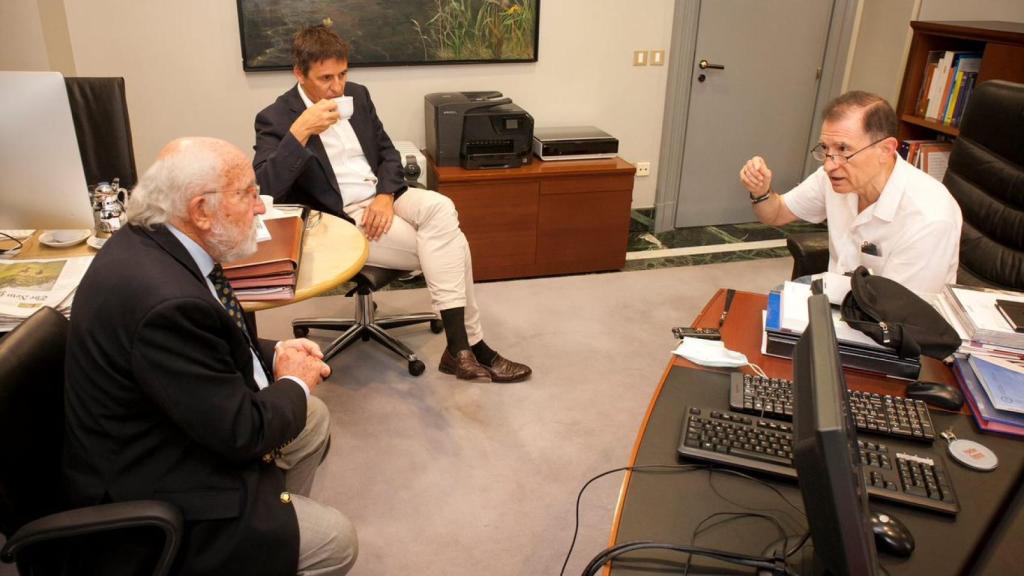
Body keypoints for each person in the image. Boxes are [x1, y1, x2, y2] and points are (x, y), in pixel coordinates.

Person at [64, 137, 358, 576]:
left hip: (161, 427)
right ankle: (265, 541)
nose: (261, 208)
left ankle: (274, 523)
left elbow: (208, 344)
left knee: (310, 418)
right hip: (146, 486)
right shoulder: (165, 302)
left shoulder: (156, 243)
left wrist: (275, 353)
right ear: (201, 210)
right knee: (336, 540)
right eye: (248, 194)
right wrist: (294, 381)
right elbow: (243, 431)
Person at [253, 25, 530, 383]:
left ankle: (460, 350)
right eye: (325, 78)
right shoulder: (275, 118)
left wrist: (385, 196)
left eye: (342, 74)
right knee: (453, 247)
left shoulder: (358, 95)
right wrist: (300, 131)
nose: (337, 87)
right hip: (344, 217)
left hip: (386, 197)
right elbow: (267, 188)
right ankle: (470, 347)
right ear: (298, 74)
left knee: (442, 208)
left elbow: (387, 152)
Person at [739, 91, 962, 295]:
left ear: (885, 150)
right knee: (771, 307)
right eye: (825, 149)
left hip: (887, 322)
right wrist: (760, 192)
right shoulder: (837, 177)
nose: (829, 165)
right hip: (840, 292)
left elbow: (899, 315)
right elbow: (776, 213)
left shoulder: (929, 217)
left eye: (843, 150)